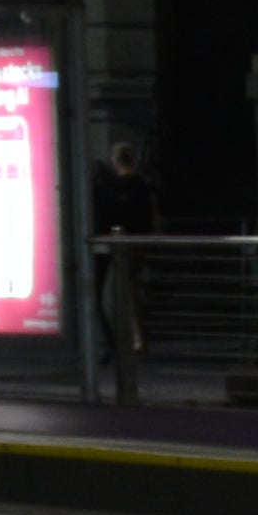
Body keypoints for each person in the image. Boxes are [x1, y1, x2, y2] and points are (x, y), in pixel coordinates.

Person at [91, 134, 161, 374]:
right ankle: (138, 338)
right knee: (131, 291)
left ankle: (137, 339)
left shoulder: (118, 187)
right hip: (140, 241)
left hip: (125, 243)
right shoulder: (142, 185)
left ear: (116, 160)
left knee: (127, 293)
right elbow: (151, 214)